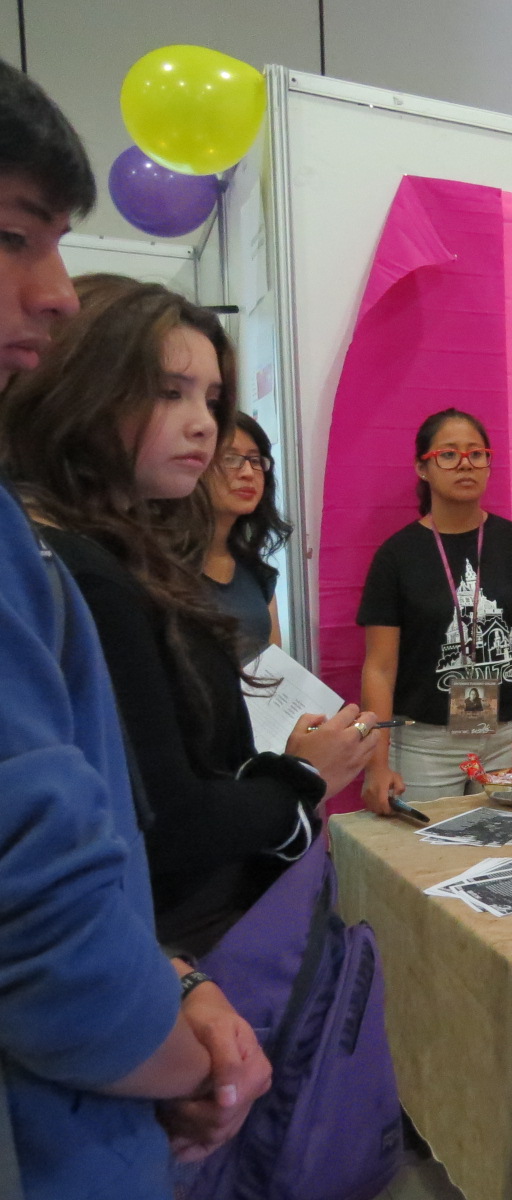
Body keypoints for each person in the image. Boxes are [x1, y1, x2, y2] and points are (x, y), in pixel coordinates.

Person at [0, 60, 269, 1198]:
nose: (56, 292)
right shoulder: (75, 562)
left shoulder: (77, 549)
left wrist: (171, 985)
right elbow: (51, 890)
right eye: (15, 237)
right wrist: (184, 1058)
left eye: (211, 398)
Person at [0, 279, 381, 958]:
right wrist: (301, 776)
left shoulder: (122, 556)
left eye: (210, 398)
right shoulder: (83, 570)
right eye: (168, 392)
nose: (203, 424)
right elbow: (163, 819)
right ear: (83, 388)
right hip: (169, 937)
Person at [358, 408, 512, 810]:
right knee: (428, 846)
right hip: (426, 746)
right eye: (448, 454)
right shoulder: (396, 556)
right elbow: (379, 668)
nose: (465, 464)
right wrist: (376, 764)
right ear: (422, 468)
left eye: (476, 454)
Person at [203, 410, 289, 662]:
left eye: (255, 460)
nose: (248, 473)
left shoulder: (256, 572)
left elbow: (275, 670)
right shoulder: (159, 565)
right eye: (230, 458)